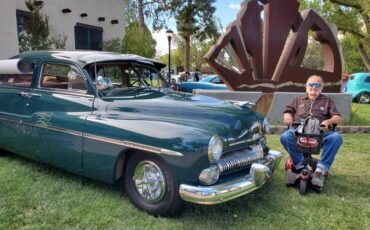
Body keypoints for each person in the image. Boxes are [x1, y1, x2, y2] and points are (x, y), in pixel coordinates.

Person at [280, 75, 343, 188]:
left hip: (320, 132)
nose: (314, 87)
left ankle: (320, 171)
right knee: (285, 136)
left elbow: (337, 117)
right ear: (306, 86)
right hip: (298, 132)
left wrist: (328, 121)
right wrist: (287, 116)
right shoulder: (297, 99)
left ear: (321, 88)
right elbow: (287, 111)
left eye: (317, 85)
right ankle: (302, 166)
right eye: (311, 84)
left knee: (336, 137)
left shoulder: (327, 100)